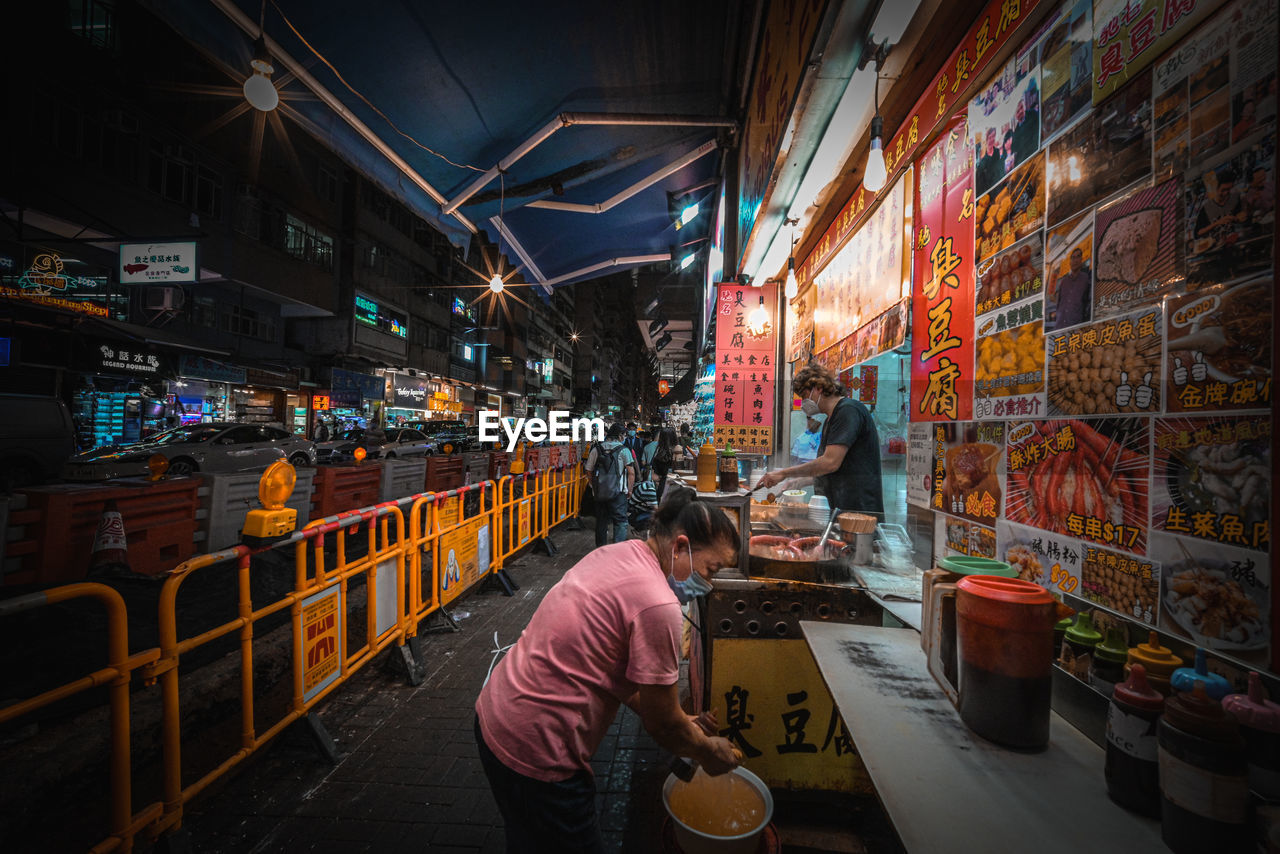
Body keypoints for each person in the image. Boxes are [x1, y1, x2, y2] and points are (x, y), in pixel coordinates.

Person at [475, 489, 741, 851]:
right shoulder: (657, 605)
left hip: (497, 711)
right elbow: (662, 725)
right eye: (711, 569)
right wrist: (709, 751)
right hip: (538, 746)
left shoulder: (617, 553)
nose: (708, 584)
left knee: (527, 835)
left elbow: (606, 668)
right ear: (680, 547)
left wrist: (681, 720)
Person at [759, 364, 883, 516]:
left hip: (858, 512)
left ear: (818, 387)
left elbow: (830, 463)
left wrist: (784, 473)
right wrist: (799, 481)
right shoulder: (831, 419)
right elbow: (834, 469)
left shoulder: (848, 411)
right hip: (840, 508)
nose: (803, 402)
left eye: (804, 396)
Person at [585, 422, 637, 546]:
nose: (624, 438)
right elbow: (631, 473)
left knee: (601, 521)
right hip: (618, 492)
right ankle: (617, 551)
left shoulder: (596, 449)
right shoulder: (624, 451)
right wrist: (630, 490)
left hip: (600, 493)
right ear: (620, 436)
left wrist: (594, 486)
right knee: (620, 521)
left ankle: (601, 551)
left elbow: (588, 470)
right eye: (624, 435)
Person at [1049, 247, 1092, 331]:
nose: (1075, 260)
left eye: (1078, 257)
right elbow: (1058, 302)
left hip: (1076, 329)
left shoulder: (1086, 279)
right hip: (1059, 327)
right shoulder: (1064, 282)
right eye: (1073, 257)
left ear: (1081, 260)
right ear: (1070, 261)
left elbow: (1088, 303)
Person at [651, 426, 678, 499]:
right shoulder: (679, 450)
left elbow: (654, 477)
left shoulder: (659, 454)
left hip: (663, 489)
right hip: (678, 490)